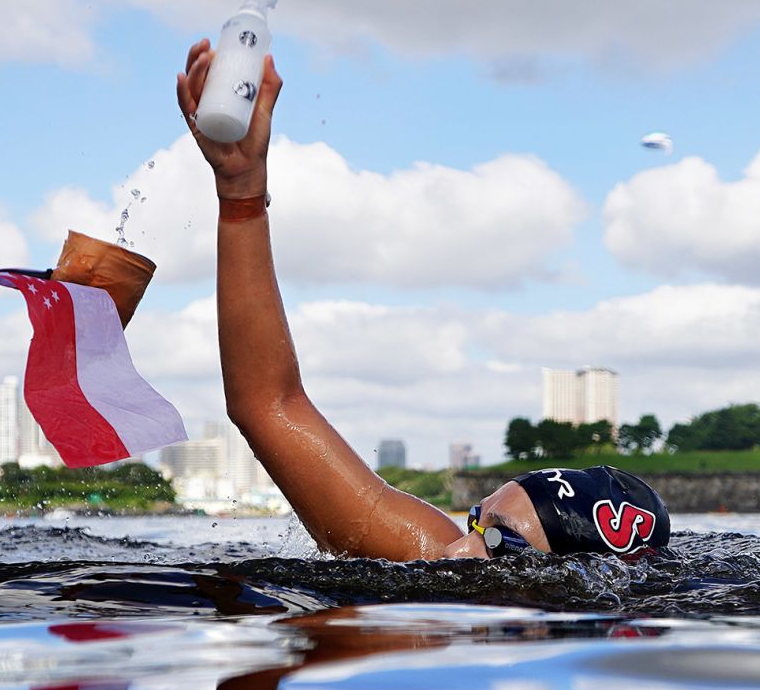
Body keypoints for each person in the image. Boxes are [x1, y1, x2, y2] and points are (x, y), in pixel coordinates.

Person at [176, 39, 669, 562]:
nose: (460, 550)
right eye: (476, 522)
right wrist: (241, 190)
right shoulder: (442, 554)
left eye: (501, 541)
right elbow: (267, 405)